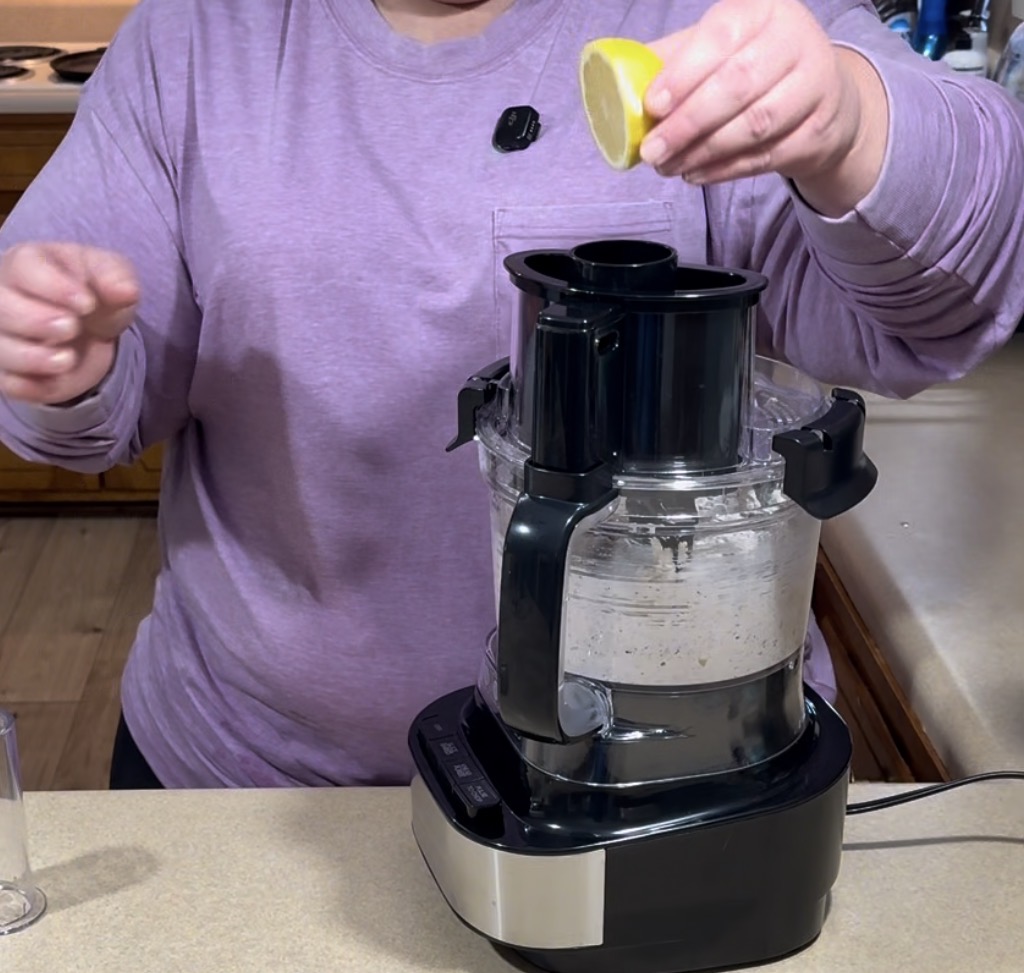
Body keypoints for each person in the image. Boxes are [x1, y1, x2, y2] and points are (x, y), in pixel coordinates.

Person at [0, 0, 1021, 789]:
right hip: (250, 778)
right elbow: (86, 402)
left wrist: (850, 120)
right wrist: (58, 358)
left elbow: (959, 282)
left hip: (668, 776)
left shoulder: (709, 20)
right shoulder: (193, 41)